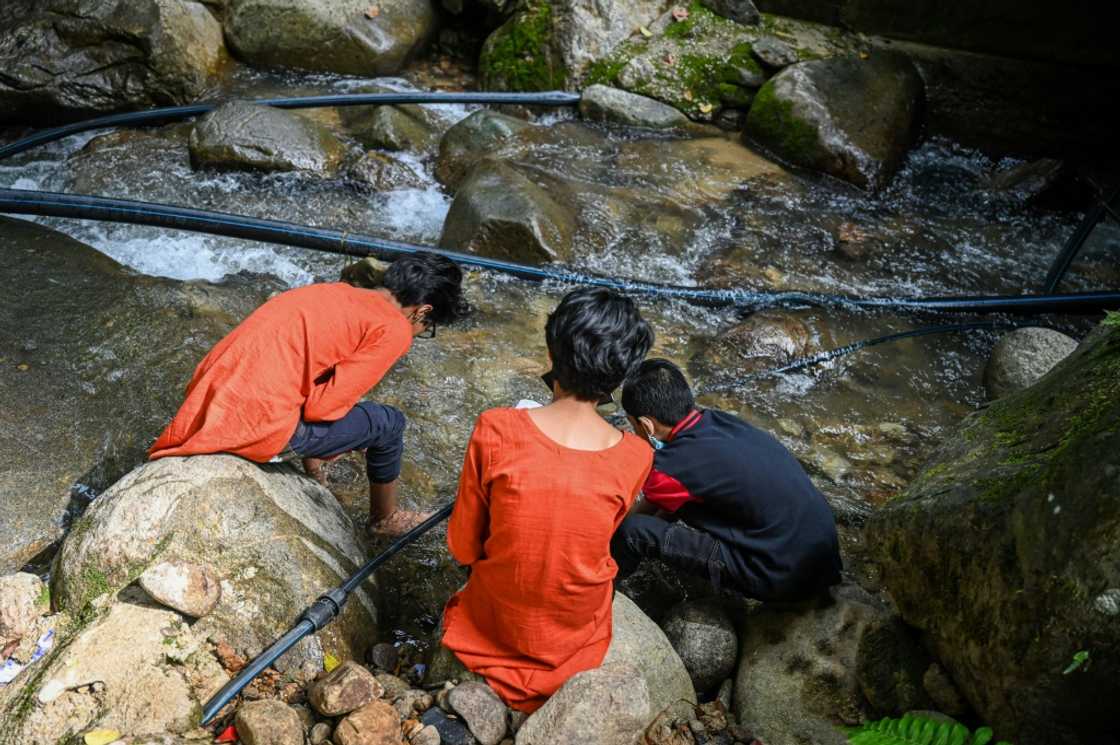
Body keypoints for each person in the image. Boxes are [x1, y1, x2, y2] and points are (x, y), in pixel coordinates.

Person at [148, 252, 468, 537]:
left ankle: (314, 467)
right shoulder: (395, 327)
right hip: (255, 425)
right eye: (428, 327)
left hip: (206, 405)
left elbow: (305, 371)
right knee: (388, 422)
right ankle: (385, 518)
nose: (420, 332)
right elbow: (322, 407)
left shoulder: (331, 292)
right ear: (422, 310)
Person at [439, 287, 654, 712]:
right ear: (621, 375)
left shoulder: (495, 427)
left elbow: (462, 544)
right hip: (572, 635)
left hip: (495, 624)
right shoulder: (637, 454)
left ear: (553, 350)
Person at [612, 358, 842, 601]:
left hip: (777, 574)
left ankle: (607, 590)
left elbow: (640, 516)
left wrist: (609, 534)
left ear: (647, 425)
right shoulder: (720, 421)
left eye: (633, 425)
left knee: (632, 531)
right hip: (822, 560)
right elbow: (670, 500)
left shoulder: (670, 466)